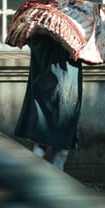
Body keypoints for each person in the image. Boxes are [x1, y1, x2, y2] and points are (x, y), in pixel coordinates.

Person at [14, 31, 82, 169]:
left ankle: (36, 177)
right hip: (65, 86)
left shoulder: (38, 28)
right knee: (60, 141)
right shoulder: (72, 28)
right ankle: (53, 178)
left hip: (43, 85)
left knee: (42, 140)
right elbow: (82, 52)